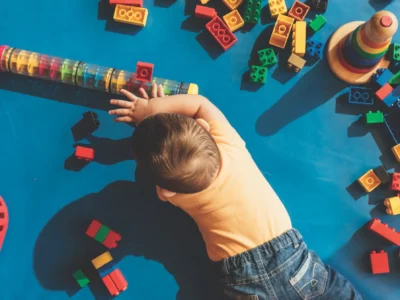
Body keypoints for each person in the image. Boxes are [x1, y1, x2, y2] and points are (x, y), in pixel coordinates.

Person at [109, 84, 362, 300]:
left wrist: (145, 125)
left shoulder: (172, 194)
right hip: (294, 261)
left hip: (244, 281)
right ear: (204, 127)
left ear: (163, 190)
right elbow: (200, 103)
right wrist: (153, 108)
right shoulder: (227, 141)